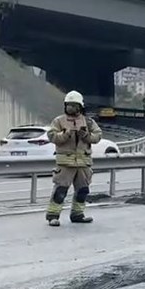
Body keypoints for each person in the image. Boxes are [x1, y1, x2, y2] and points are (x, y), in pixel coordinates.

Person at [46, 90, 102, 226]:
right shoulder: (59, 121)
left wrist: (86, 136)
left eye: (74, 105)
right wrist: (65, 135)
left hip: (83, 162)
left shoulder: (88, 122)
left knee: (82, 190)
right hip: (65, 163)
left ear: (80, 107)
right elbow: (52, 136)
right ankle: (53, 216)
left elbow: (98, 135)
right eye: (69, 105)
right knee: (60, 190)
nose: (71, 108)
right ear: (65, 106)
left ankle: (78, 214)